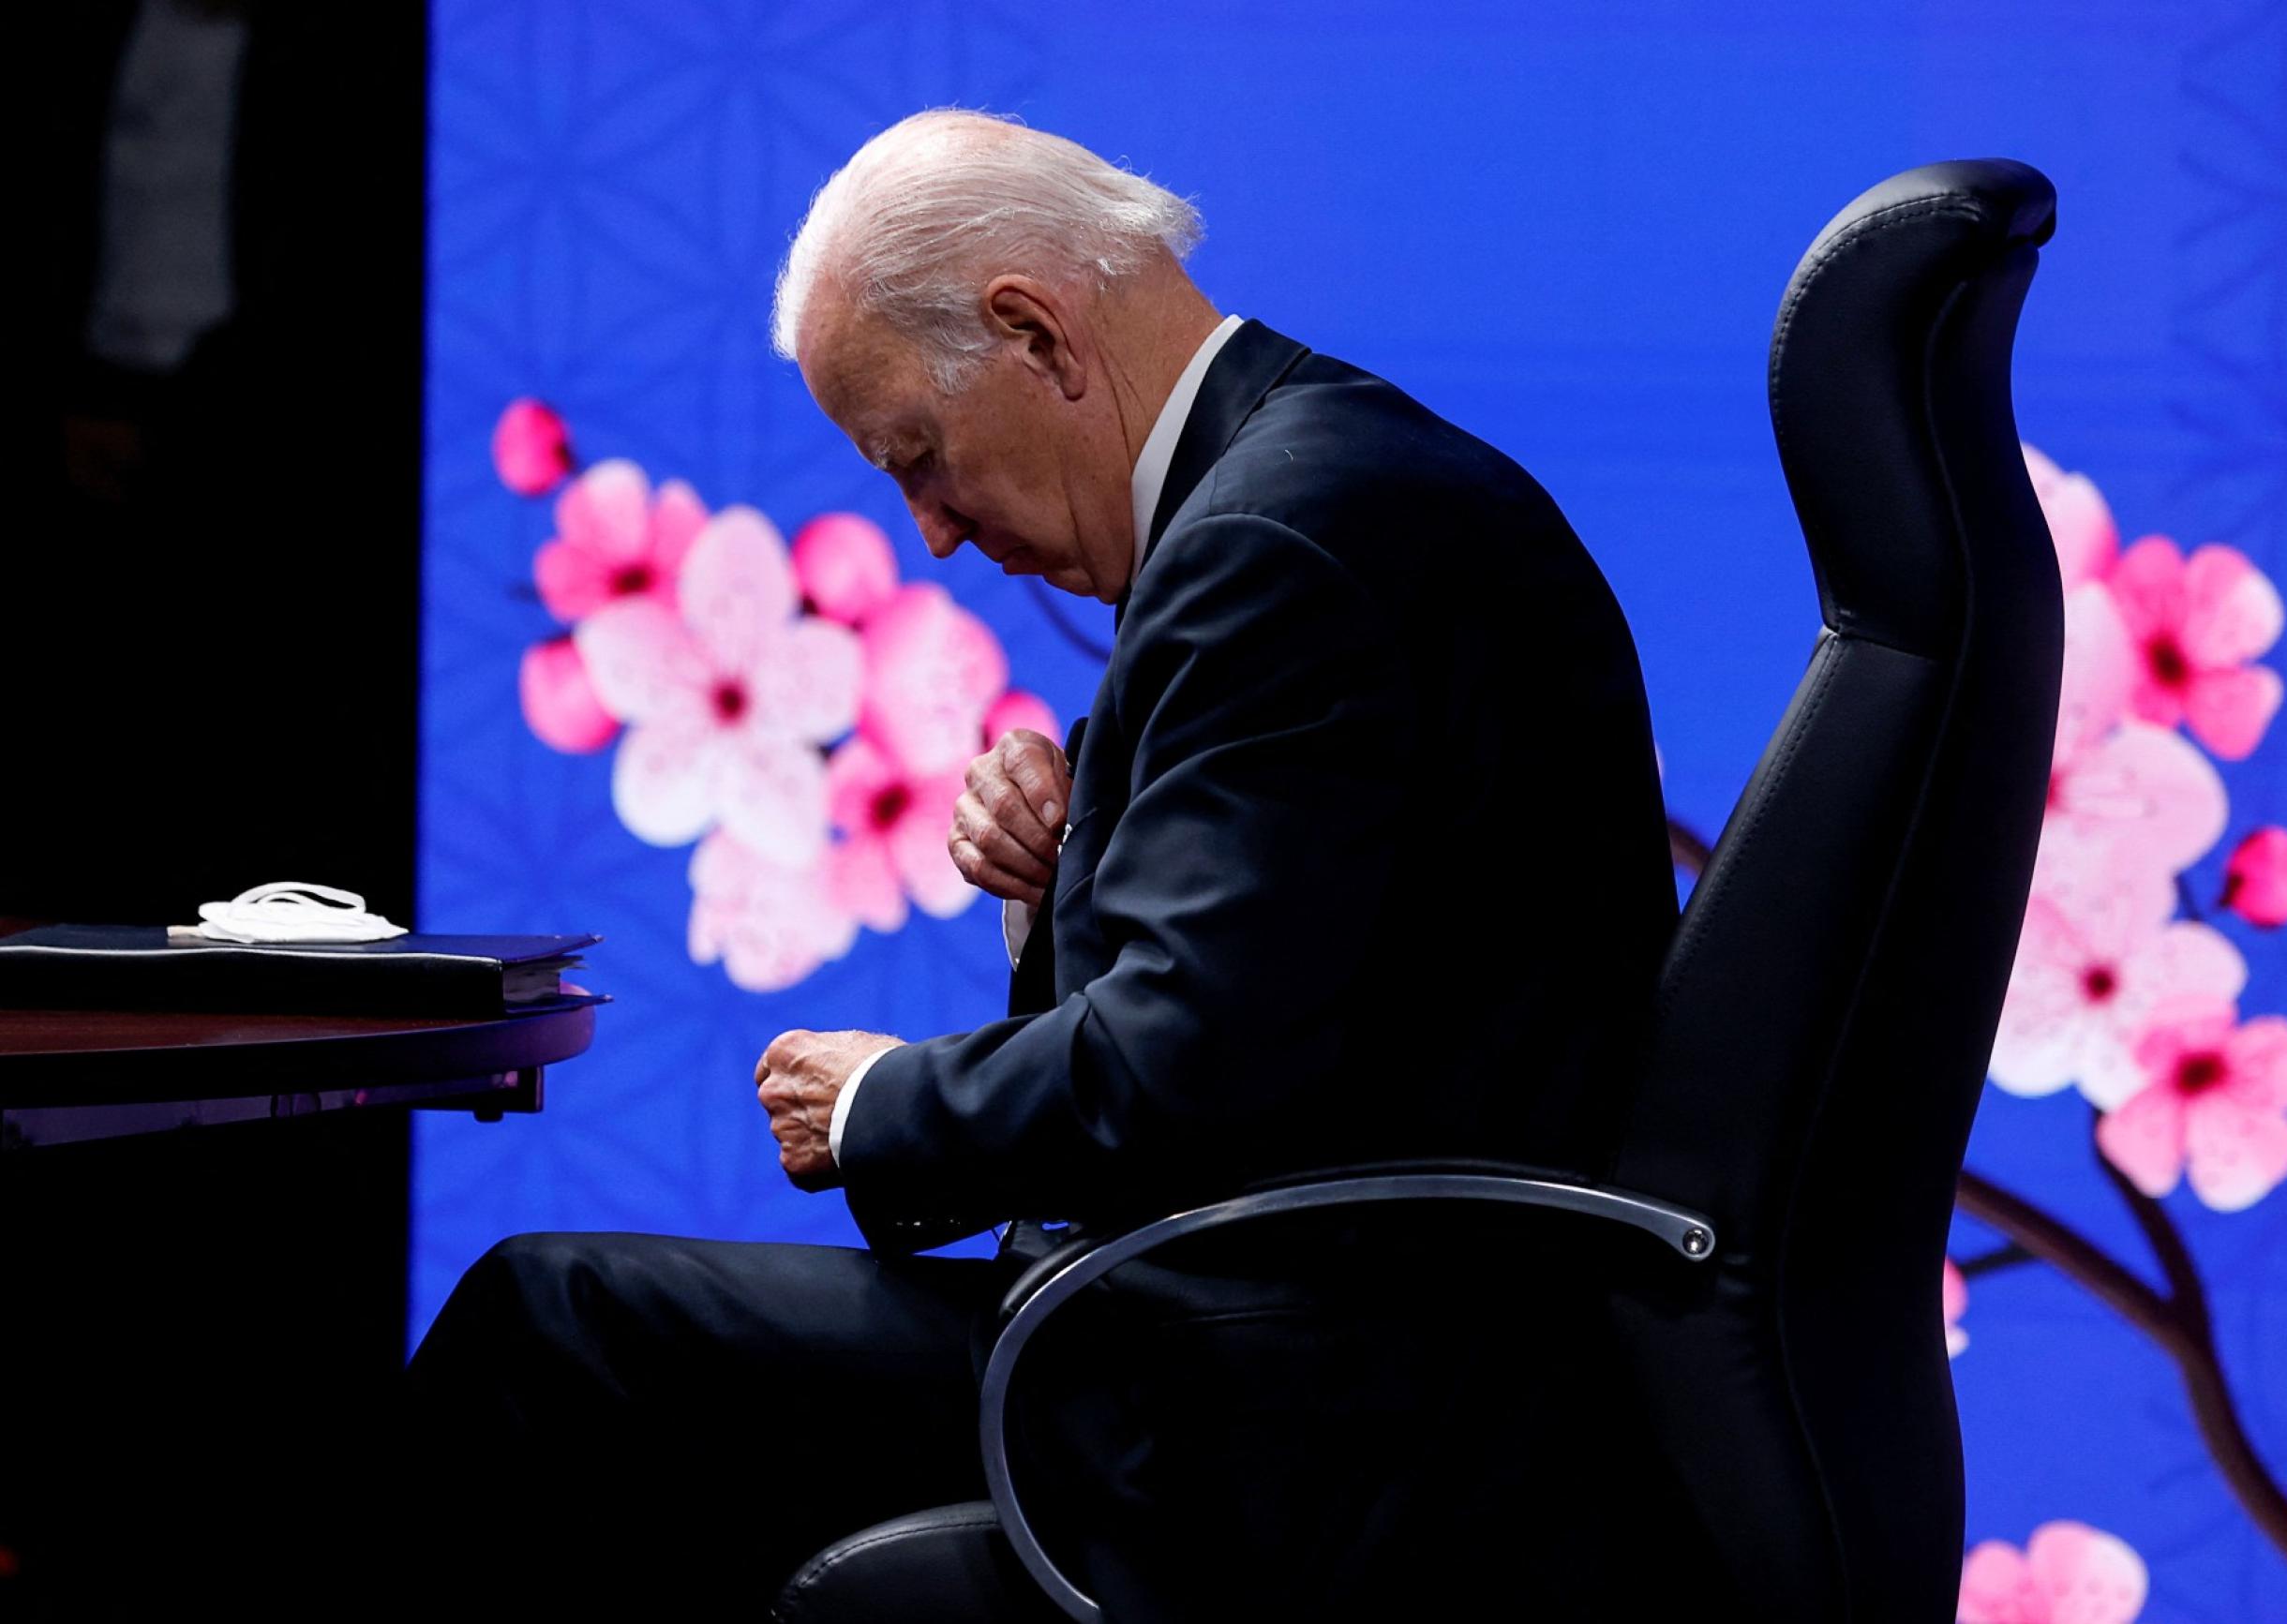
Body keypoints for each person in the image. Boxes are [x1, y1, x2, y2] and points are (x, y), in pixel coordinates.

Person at [400, 109, 1680, 1620]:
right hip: (1332, 1324)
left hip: (1306, 1392)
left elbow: (1182, 1070)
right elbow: (1300, 1002)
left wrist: (883, 1099)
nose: (930, 533)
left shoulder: (1275, 540)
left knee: (550, 1325)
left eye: (919, 458)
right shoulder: (1319, 481)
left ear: (1034, 336)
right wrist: (1058, 886)